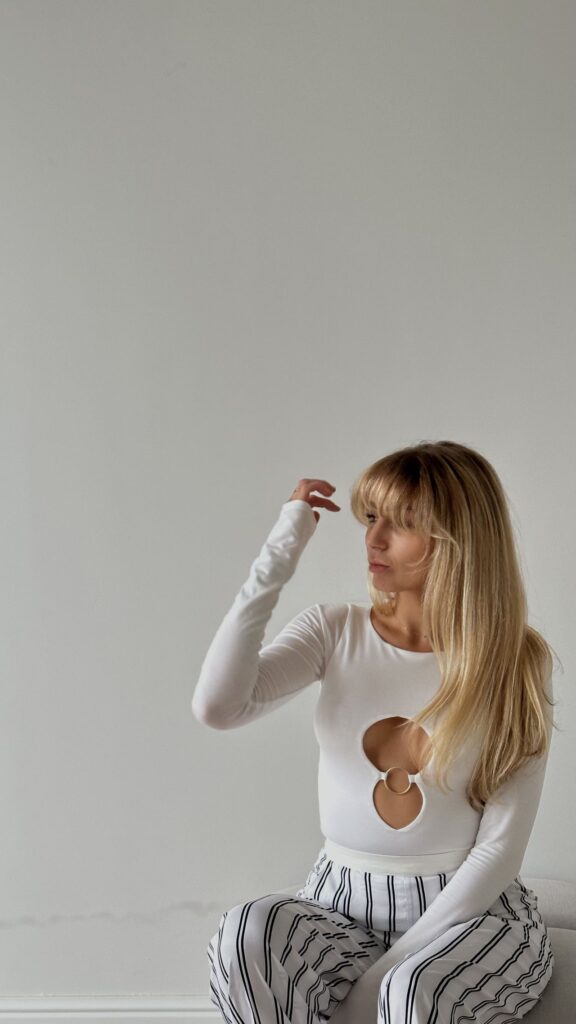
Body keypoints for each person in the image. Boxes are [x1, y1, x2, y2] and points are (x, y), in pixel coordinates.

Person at [191, 440, 558, 1024]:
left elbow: (499, 849)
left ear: (458, 540)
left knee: (412, 993)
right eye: (371, 517)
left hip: (471, 913)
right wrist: (280, 553)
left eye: (402, 522)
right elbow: (218, 706)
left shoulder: (514, 660)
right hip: (339, 901)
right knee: (246, 936)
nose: (374, 539)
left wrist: (384, 978)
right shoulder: (334, 631)